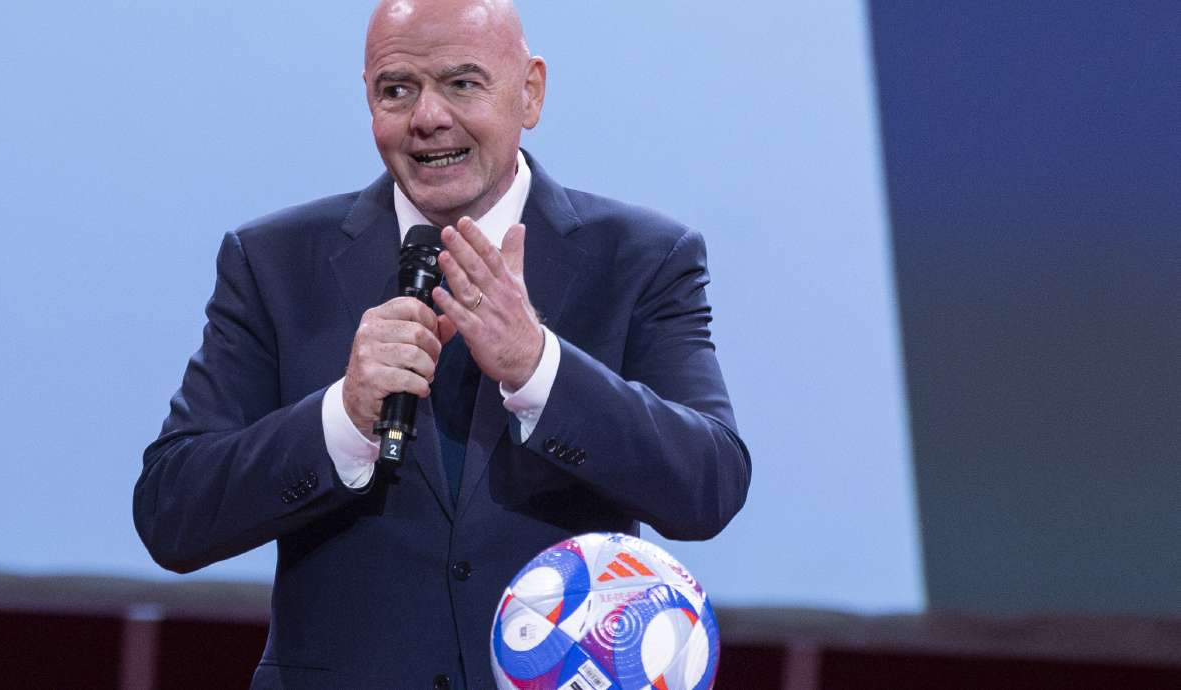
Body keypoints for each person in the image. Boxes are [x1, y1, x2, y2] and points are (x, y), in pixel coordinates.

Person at [133, 0, 751, 687]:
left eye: (462, 83)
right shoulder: (274, 263)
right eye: (397, 90)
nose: (427, 117)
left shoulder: (641, 259)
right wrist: (342, 417)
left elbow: (708, 486)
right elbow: (173, 513)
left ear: (530, 91)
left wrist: (537, 368)